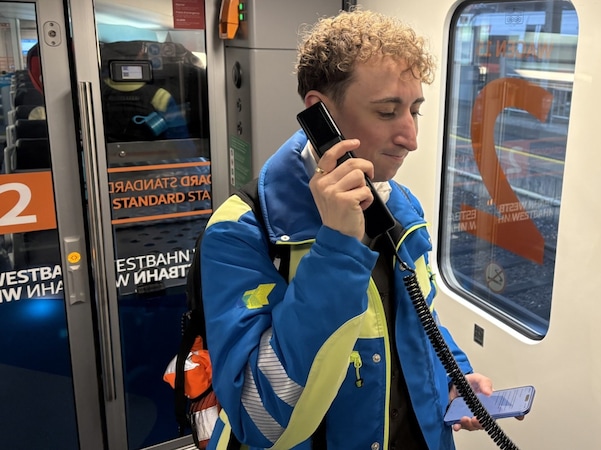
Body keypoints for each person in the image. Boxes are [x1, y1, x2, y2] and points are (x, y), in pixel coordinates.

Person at [201, 9, 497, 449]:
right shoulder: (241, 232)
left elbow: (417, 316)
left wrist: (452, 373)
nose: (411, 137)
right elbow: (260, 418)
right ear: (322, 114)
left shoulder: (399, 203)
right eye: (386, 112)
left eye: (415, 110)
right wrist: (337, 248)